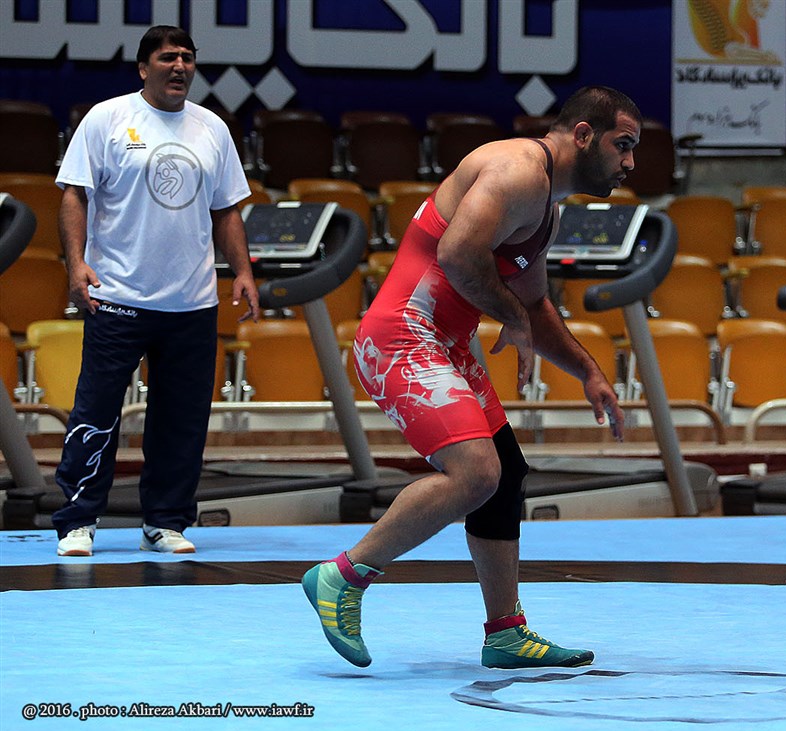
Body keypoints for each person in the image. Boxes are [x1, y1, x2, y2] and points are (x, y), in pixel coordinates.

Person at [302, 86, 637, 669]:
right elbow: (458, 255)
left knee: (505, 475)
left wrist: (587, 370)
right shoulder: (516, 171)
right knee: (477, 471)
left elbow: (533, 305)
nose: (630, 162)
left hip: (443, 344)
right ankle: (343, 576)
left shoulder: (546, 208)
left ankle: (506, 632)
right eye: (623, 144)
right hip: (401, 337)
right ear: (583, 135)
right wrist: (512, 316)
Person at [53, 25, 259, 557]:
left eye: (187, 57)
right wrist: (76, 264)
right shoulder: (107, 118)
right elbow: (75, 195)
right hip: (117, 294)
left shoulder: (212, 128)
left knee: (181, 421)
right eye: (168, 57)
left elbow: (226, 209)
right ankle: (78, 520)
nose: (180, 66)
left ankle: (165, 522)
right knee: (96, 411)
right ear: (144, 68)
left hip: (192, 302)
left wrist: (242, 271)